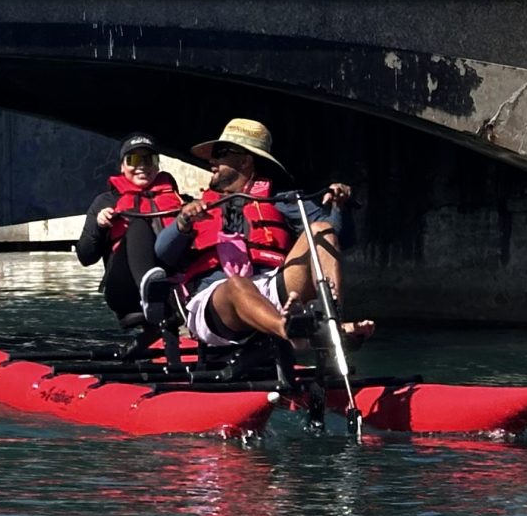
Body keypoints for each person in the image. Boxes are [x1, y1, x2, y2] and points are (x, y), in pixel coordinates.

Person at [150, 118, 368, 351]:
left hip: (270, 287)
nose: (213, 161)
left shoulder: (282, 200)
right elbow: (163, 255)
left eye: (221, 153)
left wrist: (338, 207)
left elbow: (339, 240)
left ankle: (331, 323)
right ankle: (289, 331)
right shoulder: (197, 207)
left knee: (321, 231)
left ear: (245, 161)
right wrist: (183, 222)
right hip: (215, 304)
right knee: (238, 285)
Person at [72, 134, 186, 331]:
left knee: (186, 225)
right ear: (122, 167)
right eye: (133, 160)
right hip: (125, 290)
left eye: (148, 159)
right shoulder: (105, 202)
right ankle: (151, 292)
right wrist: (99, 226)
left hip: (173, 284)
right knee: (139, 225)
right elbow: (85, 256)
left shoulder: (180, 201)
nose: (141, 166)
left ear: (157, 165)